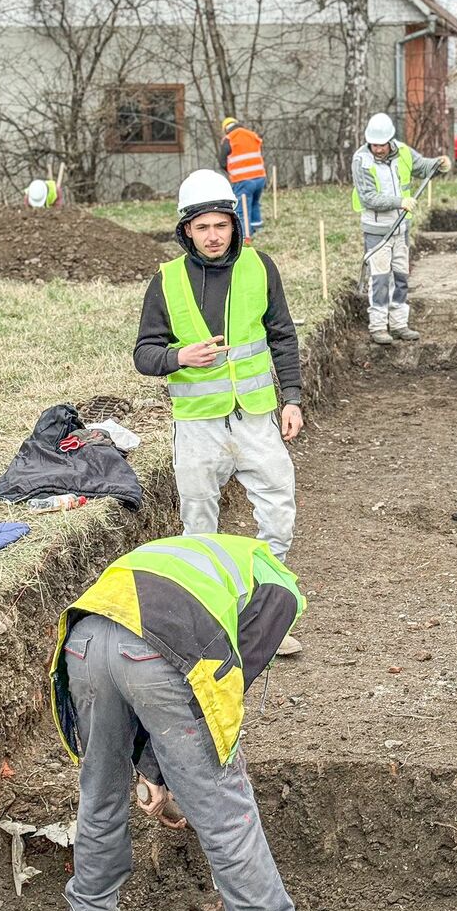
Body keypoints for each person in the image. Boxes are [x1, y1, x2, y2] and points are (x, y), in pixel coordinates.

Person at [49, 532, 324, 911]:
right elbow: (228, 678)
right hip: (156, 650)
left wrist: (154, 770)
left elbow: (139, 668)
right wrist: (173, 770)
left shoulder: (200, 557)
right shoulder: (281, 587)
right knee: (224, 811)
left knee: (99, 791)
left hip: (84, 638)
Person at [134, 170, 304, 654]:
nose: (213, 236)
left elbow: (282, 336)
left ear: (235, 224)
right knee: (199, 524)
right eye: (202, 227)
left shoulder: (260, 267)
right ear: (186, 229)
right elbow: (144, 354)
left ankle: (268, 621)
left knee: (278, 511)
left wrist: (291, 397)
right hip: (198, 426)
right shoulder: (165, 281)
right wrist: (179, 358)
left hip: (255, 418)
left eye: (221, 226)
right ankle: (210, 623)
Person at [351, 113, 451, 345]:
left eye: (381, 145)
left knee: (401, 277)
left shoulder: (403, 152)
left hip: (401, 229)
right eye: (374, 145)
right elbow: (368, 198)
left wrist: (439, 164)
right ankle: (378, 327)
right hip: (378, 230)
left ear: (390, 141)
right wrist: (399, 202)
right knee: (380, 279)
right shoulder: (361, 160)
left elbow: (423, 167)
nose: (377, 149)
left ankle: (398, 324)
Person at [219, 116, 266, 235]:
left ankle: (244, 236)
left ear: (225, 129)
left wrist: (231, 171)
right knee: (255, 203)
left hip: (243, 180)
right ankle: (258, 229)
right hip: (260, 177)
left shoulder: (229, 138)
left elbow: (222, 161)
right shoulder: (252, 135)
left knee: (242, 209)